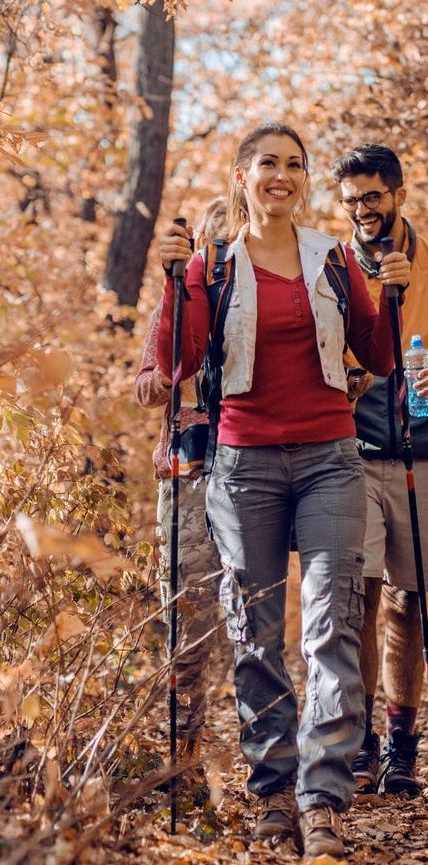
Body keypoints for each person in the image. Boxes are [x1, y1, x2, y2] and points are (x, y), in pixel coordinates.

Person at [155, 122, 399, 858]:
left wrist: (391, 296)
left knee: (331, 624)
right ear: (242, 176)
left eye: (294, 165)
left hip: (330, 456)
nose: (282, 176)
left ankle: (321, 797)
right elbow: (180, 360)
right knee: (253, 635)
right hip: (243, 465)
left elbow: (378, 355)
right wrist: (172, 282)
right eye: (268, 164)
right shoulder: (212, 265)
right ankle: (272, 795)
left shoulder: (331, 258)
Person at [331, 145, 428, 796]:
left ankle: (403, 743)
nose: (362, 210)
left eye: (372, 196)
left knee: (407, 598)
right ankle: (360, 739)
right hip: (350, 449)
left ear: (397, 194)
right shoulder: (328, 265)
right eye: (351, 198)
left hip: (423, 448)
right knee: (357, 594)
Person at [135, 196, 228, 788]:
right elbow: (145, 384)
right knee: (190, 620)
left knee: (251, 619)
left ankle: (262, 762)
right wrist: (167, 377)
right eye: (211, 245)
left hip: (257, 466)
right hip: (188, 475)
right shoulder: (180, 297)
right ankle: (183, 758)